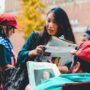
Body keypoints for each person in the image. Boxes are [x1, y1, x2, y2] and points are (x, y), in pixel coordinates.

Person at [17, 7, 76, 89]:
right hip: (32, 82)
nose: (50, 25)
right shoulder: (35, 37)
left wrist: (53, 67)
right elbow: (20, 56)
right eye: (48, 21)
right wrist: (33, 52)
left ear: (62, 24)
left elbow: (70, 68)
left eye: (55, 22)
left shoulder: (68, 44)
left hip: (55, 83)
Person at [0, 13, 18, 89]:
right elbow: (4, 66)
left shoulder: (5, 41)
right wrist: (18, 69)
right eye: (11, 28)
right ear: (3, 27)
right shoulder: (1, 43)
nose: (13, 32)